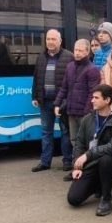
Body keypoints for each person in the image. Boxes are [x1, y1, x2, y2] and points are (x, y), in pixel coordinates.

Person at [67, 85, 112, 216]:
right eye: (92, 97)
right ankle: (99, 183)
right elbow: (79, 143)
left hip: (110, 163)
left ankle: (106, 198)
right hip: (91, 164)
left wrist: (89, 154)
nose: (92, 100)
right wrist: (76, 166)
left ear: (107, 100)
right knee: (73, 199)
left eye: (96, 98)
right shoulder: (88, 119)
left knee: (107, 159)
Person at [55, 39, 101, 180]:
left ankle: (89, 171)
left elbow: (92, 94)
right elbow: (64, 88)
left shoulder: (92, 69)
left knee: (88, 144)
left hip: (84, 114)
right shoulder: (69, 67)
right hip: (71, 112)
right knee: (75, 142)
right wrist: (57, 104)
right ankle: (77, 168)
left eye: (81, 50)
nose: (77, 53)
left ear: (87, 52)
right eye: (76, 50)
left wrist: (87, 113)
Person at [32, 29, 72, 173]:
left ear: (60, 41)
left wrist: (66, 101)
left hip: (62, 103)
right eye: (48, 39)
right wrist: (35, 96)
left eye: (53, 39)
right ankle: (45, 162)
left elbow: (72, 82)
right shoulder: (41, 57)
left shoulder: (69, 57)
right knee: (46, 132)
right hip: (45, 101)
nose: (50, 42)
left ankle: (68, 161)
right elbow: (36, 78)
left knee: (65, 132)